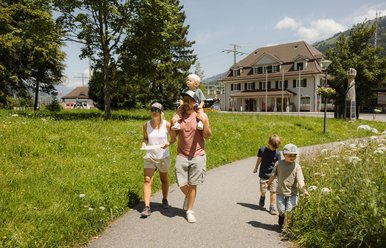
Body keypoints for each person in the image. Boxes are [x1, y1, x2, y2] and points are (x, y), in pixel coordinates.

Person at [171, 90, 212, 223]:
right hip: (182, 155)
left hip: (198, 155)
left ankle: (189, 210)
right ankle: (189, 197)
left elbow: (207, 135)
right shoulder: (179, 116)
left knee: (193, 184)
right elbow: (173, 137)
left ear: (195, 102)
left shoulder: (200, 116)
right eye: (185, 100)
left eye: (190, 100)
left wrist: (204, 122)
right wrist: (172, 124)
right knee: (181, 183)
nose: (187, 102)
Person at [140, 103, 174, 218]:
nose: (154, 112)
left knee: (163, 179)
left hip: (163, 156)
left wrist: (168, 143)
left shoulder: (167, 125)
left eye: (157, 110)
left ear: (161, 112)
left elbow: (173, 139)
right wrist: (144, 144)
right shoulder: (146, 125)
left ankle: (164, 200)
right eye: (152, 109)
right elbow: (145, 138)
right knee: (147, 180)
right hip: (150, 156)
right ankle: (147, 207)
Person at [267, 144, 309, 229]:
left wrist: (304, 190)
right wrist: (268, 183)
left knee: (290, 210)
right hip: (280, 192)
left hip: (292, 193)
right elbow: (273, 175)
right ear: (284, 154)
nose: (292, 157)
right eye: (290, 155)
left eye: (294, 155)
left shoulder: (297, 167)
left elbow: (300, 179)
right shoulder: (279, 164)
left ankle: (288, 228)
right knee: (281, 210)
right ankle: (281, 218)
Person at [252, 135, 282, 215]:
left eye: (276, 148)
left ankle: (272, 207)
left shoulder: (278, 153)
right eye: (273, 147)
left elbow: (279, 165)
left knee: (273, 191)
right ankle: (262, 197)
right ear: (268, 143)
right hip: (263, 175)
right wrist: (256, 167)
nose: (274, 149)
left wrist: (279, 174)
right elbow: (259, 159)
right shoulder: (262, 150)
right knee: (263, 191)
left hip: (273, 176)